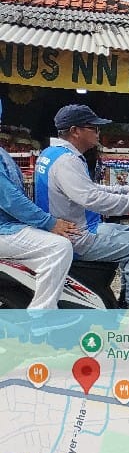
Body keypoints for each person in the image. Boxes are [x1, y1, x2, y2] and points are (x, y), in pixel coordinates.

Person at [35, 104, 129, 308]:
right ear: (75, 131)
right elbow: (94, 200)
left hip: (72, 229)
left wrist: (126, 190)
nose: (98, 133)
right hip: (78, 236)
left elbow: (86, 188)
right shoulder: (67, 161)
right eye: (94, 128)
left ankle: (127, 297)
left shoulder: (51, 153)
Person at [0, 99, 80, 309]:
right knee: (59, 247)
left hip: (10, 225)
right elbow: (10, 199)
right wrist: (49, 222)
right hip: (4, 230)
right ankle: (41, 315)